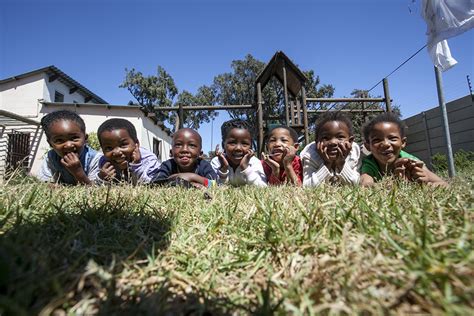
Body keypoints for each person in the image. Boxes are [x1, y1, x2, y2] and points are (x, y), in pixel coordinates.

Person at [360, 112, 446, 187]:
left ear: (403, 142)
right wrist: (393, 184)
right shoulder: (369, 163)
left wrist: (425, 182)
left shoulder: (411, 162)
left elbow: (444, 184)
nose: (386, 144)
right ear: (368, 146)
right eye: (377, 140)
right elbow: (365, 185)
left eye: (392, 138)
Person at [37, 110, 101, 185]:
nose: (68, 145)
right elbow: (46, 183)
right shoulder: (51, 157)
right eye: (59, 140)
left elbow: (93, 189)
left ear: (85, 139)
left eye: (74, 138)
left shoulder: (95, 159)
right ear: (50, 144)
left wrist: (77, 171)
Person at [300, 112, 360, 186]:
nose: (333, 142)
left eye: (340, 137)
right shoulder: (310, 154)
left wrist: (341, 163)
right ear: (317, 142)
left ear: (350, 141)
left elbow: (356, 184)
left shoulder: (354, 151)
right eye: (326, 138)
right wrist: (327, 163)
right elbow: (307, 186)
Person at [95, 118, 160, 184]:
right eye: (109, 148)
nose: (117, 152)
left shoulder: (148, 160)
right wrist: (102, 178)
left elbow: (153, 184)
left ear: (136, 144)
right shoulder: (104, 162)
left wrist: (137, 166)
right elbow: (96, 187)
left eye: (123, 145)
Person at [153, 128, 217, 187]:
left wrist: (192, 177)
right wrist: (188, 183)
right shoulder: (167, 165)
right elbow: (155, 183)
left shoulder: (204, 166)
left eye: (192, 145)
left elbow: (214, 184)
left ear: (200, 154)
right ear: (171, 152)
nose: (184, 150)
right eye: (178, 145)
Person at [211, 119, 267, 187]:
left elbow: (262, 187)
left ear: (251, 146)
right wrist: (223, 169)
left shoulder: (254, 162)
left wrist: (245, 168)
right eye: (232, 143)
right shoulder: (217, 162)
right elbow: (215, 187)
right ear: (223, 145)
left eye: (244, 143)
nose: (238, 148)